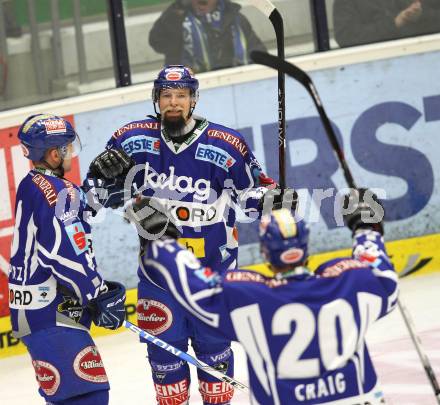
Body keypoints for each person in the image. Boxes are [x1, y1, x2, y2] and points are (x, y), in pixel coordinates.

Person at [87, 64, 296, 404]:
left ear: (193, 100)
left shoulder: (227, 145)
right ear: (156, 99)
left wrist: (277, 200)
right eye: (166, 95)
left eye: (181, 95)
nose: (173, 102)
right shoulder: (132, 139)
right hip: (159, 279)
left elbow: (250, 198)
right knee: (166, 369)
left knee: (215, 361)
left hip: (214, 276)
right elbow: (99, 198)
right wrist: (99, 174)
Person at [135, 192, 397, 405]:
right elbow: (385, 280)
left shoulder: (250, 301)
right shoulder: (352, 283)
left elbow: (195, 287)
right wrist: (366, 228)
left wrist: (162, 240)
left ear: (264, 252)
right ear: (306, 245)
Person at [9, 114, 126, 405]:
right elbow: (61, 253)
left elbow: (67, 220)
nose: (71, 153)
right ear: (53, 153)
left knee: (71, 397)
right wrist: (97, 293)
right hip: (50, 312)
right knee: (88, 397)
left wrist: (92, 191)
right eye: (68, 147)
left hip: (38, 310)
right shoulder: (59, 192)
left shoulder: (34, 184)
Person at [149, 0, 266, 73]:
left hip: (234, 87)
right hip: (190, 94)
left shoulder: (236, 19)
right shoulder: (178, 20)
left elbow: (260, 55)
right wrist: (177, 8)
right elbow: (157, 42)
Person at [333, 0, 440, 48]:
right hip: (374, 66)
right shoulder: (345, 2)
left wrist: (421, 16)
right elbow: (347, 38)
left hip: (423, 54)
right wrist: (395, 23)